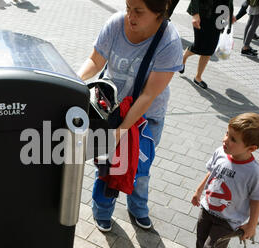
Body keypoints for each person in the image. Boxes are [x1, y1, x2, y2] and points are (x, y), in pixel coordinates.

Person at [77, 0, 183, 232]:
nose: (129, 16)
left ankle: (137, 209)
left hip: (146, 119)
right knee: (107, 166)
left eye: (138, 11)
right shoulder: (116, 24)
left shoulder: (170, 42)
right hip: (111, 112)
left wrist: (122, 130)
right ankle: (102, 211)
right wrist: (75, 82)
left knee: (139, 169)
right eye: (127, 7)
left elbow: (148, 95)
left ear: (159, 12)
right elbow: (95, 60)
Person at [185, 112, 259, 248]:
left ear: (251, 147)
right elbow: (211, 173)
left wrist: (252, 225)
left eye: (233, 139)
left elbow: (257, 200)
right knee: (201, 243)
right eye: (226, 133)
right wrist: (199, 191)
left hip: (228, 221)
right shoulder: (221, 152)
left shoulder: (254, 172)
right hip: (207, 209)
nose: (225, 140)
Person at [180, 0, 234, 90]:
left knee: (210, 48)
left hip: (219, 16)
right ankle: (183, 58)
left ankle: (198, 77)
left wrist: (230, 13)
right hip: (203, 14)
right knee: (198, 46)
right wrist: (195, 14)